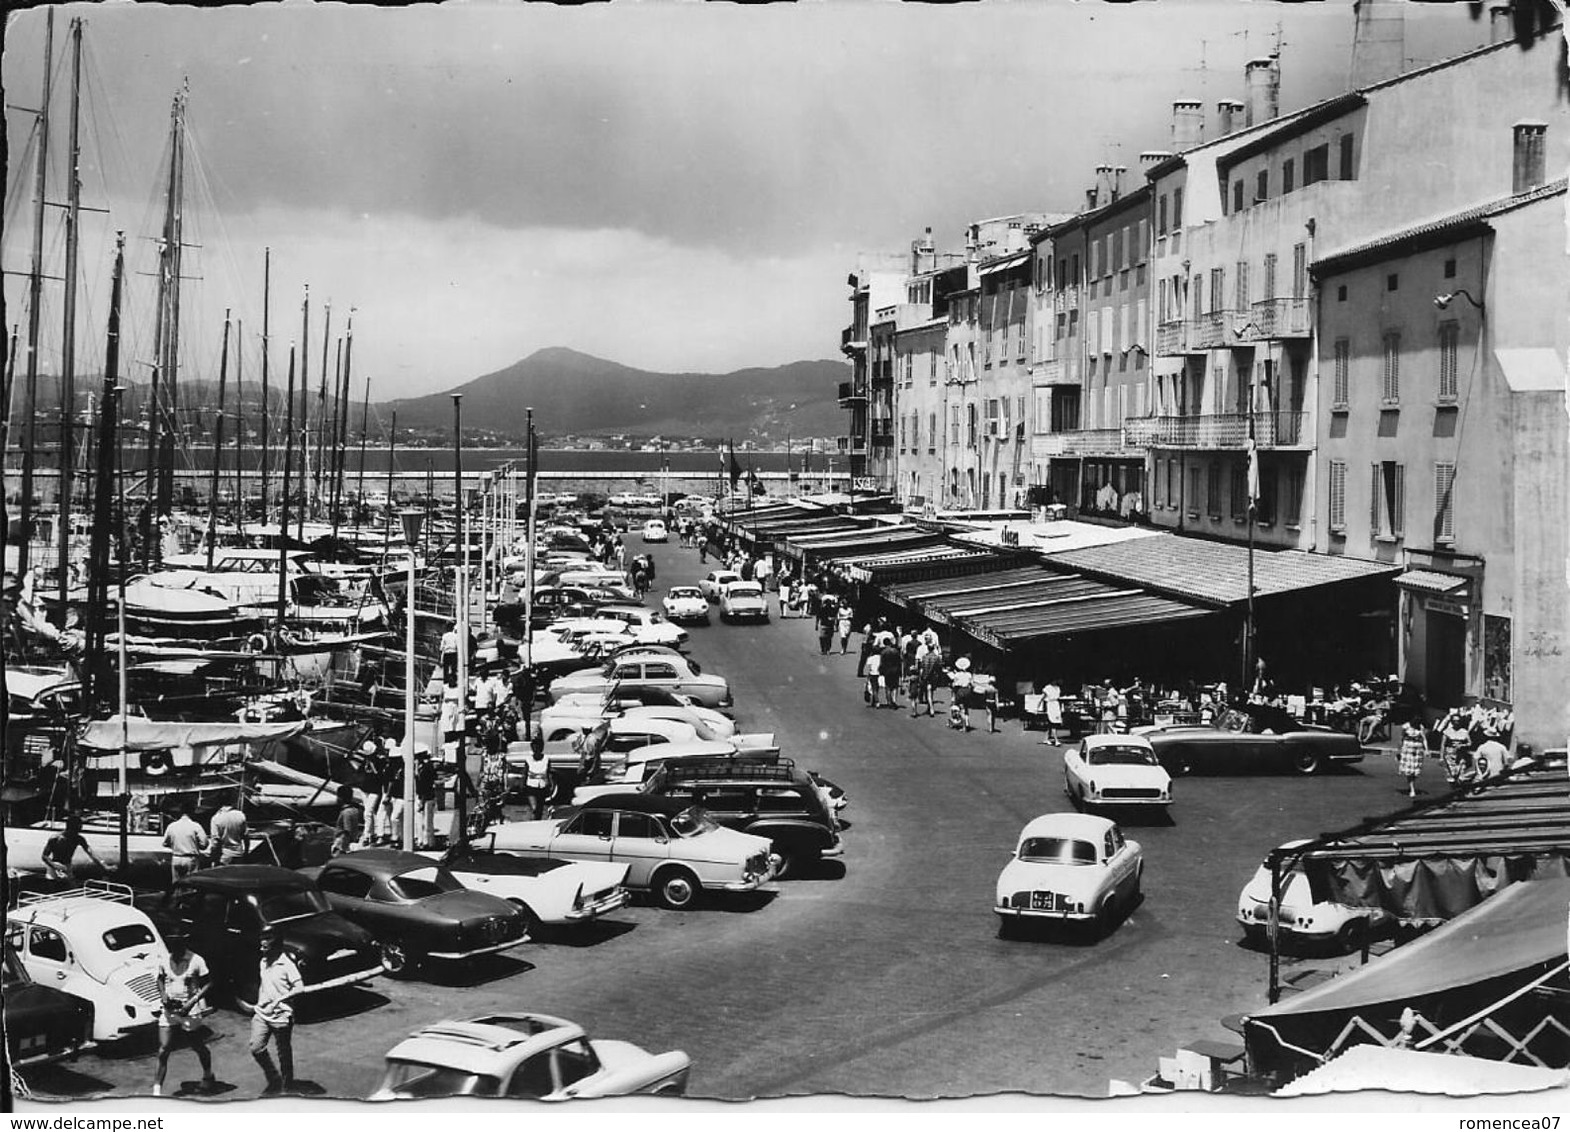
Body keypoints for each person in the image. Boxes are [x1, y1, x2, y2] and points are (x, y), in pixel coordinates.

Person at [153, 932, 217, 1097]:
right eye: (171, 943)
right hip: (169, 1012)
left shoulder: (197, 961)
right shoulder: (164, 960)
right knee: (163, 1049)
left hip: (190, 1012)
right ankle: (156, 1091)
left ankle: (208, 1075)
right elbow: (160, 979)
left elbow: (209, 983)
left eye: (177, 943)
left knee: (196, 1045)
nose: (174, 947)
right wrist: (163, 996)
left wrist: (192, 1002)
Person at [250, 927, 301, 1096]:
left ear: (276, 946)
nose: (262, 949)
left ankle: (287, 1087)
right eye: (261, 945)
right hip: (262, 1013)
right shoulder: (262, 962)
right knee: (256, 1048)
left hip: (281, 1016)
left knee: (283, 1054)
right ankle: (273, 1077)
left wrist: (280, 1000)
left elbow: (300, 988)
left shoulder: (287, 965)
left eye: (266, 946)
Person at [42, 815, 105, 881]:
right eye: (78, 827)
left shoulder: (79, 838)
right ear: (71, 827)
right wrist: (55, 866)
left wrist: (103, 865)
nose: (80, 829)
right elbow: (44, 856)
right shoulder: (55, 838)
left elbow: (90, 852)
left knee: (70, 886)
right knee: (54, 886)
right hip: (54, 866)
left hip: (67, 866)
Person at [163, 803, 210, 886]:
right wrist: (195, 845)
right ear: (192, 812)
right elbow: (204, 844)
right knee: (191, 885)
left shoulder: (172, 826)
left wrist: (175, 845)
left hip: (176, 858)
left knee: (176, 885)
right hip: (190, 859)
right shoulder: (196, 826)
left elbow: (165, 843)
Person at [209, 796, 249, 866]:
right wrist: (246, 852)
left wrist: (213, 858)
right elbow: (246, 836)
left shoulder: (216, 818)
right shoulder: (240, 815)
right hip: (239, 855)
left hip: (225, 856)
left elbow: (215, 842)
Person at [521, 730, 552, 820]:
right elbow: (525, 773)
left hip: (542, 786)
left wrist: (549, 785)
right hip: (531, 786)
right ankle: (534, 820)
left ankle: (537, 822)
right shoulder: (528, 759)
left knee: (540, 809)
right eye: (534, 747)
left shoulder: (546, 759)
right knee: (534, 808)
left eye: (538, 747)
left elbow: (548, 773)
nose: (536, 749)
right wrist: (523, 785)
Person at [414, 752, 439, 849]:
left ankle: (428, 842)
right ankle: (421, 840)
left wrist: (422, 800)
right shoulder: (418, 768)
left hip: (427, 797)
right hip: (420, 796)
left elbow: (425, 785)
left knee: (427, 822)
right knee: (419, 821)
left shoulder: (427, 769)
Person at [1397, 720, 1427, 798]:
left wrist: (1426, 749)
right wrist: (1399, 751)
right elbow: (1401, 738)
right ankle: (1412, 788)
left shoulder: (1421, 727)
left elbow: (1424, 738)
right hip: (1407, 749)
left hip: (1417, 750)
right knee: (1409, 770)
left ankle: (1412, 783)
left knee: (1415, 770)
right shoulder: (1405, 727)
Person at [331, 786, 363, 856]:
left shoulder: (346, 812)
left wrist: (342, 847)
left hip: (341, 842)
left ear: (341, 798)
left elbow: (347, 831)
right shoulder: (355, 810)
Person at [948, 657, 975, 731]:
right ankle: (967, 722)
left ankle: (963, 726)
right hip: (967, 691)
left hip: (960, 691)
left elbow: (954, 685)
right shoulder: (969, 674)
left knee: (961, 708)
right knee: (966, 708)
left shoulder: (957, 675)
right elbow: (972, 684)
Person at [879, 637, 902, 709]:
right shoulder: (896, 651)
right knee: (895, 686)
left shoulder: (883, 652)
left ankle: (889, 702)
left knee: (888, 687)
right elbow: (899, 662)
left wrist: (881, 671)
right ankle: (894, 700)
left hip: (887, 671)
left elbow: (882, 663)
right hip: (895, 670)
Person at [1040, 679, 1064, 746]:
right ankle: (1056, 740)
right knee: (1053, 723)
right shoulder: (1047, 688)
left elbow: (1058, 697)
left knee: (1051, 723)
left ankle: (1046, 739)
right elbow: (1043, 698)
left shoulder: (1058, 688)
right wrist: (1038, 706)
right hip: (1050, 705)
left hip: (1056, 705)